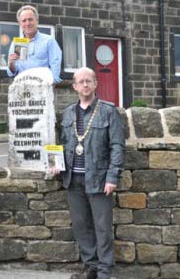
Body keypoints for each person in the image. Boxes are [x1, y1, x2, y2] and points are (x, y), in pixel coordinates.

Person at [54, 67, 125, 279]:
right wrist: (55, 163)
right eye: (81, 82)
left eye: (89, 81)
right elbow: (62, 145)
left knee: (102, 228)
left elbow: (117, 147)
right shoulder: (67, 113)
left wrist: (113, 177)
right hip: (73, 179)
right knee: (81, 226)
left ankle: (104, 271)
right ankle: (90, 267)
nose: (85, 85)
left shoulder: (108, 111)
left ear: (95, 84)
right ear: (74, 86)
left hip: (99, 179)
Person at [7, 5, 62, 83]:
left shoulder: (49, 40)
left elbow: (55, 66)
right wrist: (11, 64)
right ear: (19, 23)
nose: (27, 23)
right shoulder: (16, 43)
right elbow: (12, 72)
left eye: (30, 19)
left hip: (43, 87)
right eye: (24, 20)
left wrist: (51, 83)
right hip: (22, 87)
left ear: (37, 20)